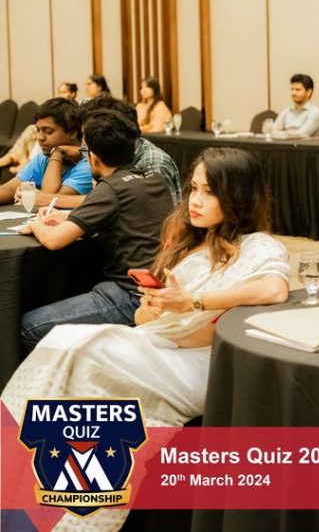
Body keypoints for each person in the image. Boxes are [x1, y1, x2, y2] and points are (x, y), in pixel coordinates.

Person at [1, 147, 289, 530]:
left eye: (209, 192)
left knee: (81, 350)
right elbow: (142, 316)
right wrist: (153, 308)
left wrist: (192, 301)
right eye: (194, 189)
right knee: (68, 352)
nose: (195, 201)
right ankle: (32, 485)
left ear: (238, 196)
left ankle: (62, 505)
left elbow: (273, 289)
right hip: (157, 344)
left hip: (202, 364)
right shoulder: (188, 241)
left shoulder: (259, 245)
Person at [19, 110, 174, 346]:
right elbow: (124, 214)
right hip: (158, 288)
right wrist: (66, 217)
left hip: (132, 295)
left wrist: (36, 224)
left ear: (93, 157)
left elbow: (53, 240)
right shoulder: (152, 177)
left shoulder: (110, 188)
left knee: (29, 325)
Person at [35, 96, 182, 207]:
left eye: (87, 135)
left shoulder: (152, 162)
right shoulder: (104, 155)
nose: (83, 143)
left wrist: (49, 199)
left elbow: (160, 220)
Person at [0, 98, 92, 205]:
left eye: (48, 131)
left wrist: (57, 152)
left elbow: (48, 199)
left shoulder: (88, 163)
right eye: (38, 130)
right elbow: (10, 189)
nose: (40, 138)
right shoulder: (43, 158)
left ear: (72, 133)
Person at [273, 73, 319, 138]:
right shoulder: (286, 111)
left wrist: (283, 133)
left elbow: (302, 134)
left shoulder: (315, 112)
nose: (293, 93)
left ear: (309, 92)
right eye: (292, 89)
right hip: (283, 144)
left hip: (305, 144)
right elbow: (273, 132)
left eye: (297, 90)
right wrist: (286, 133)